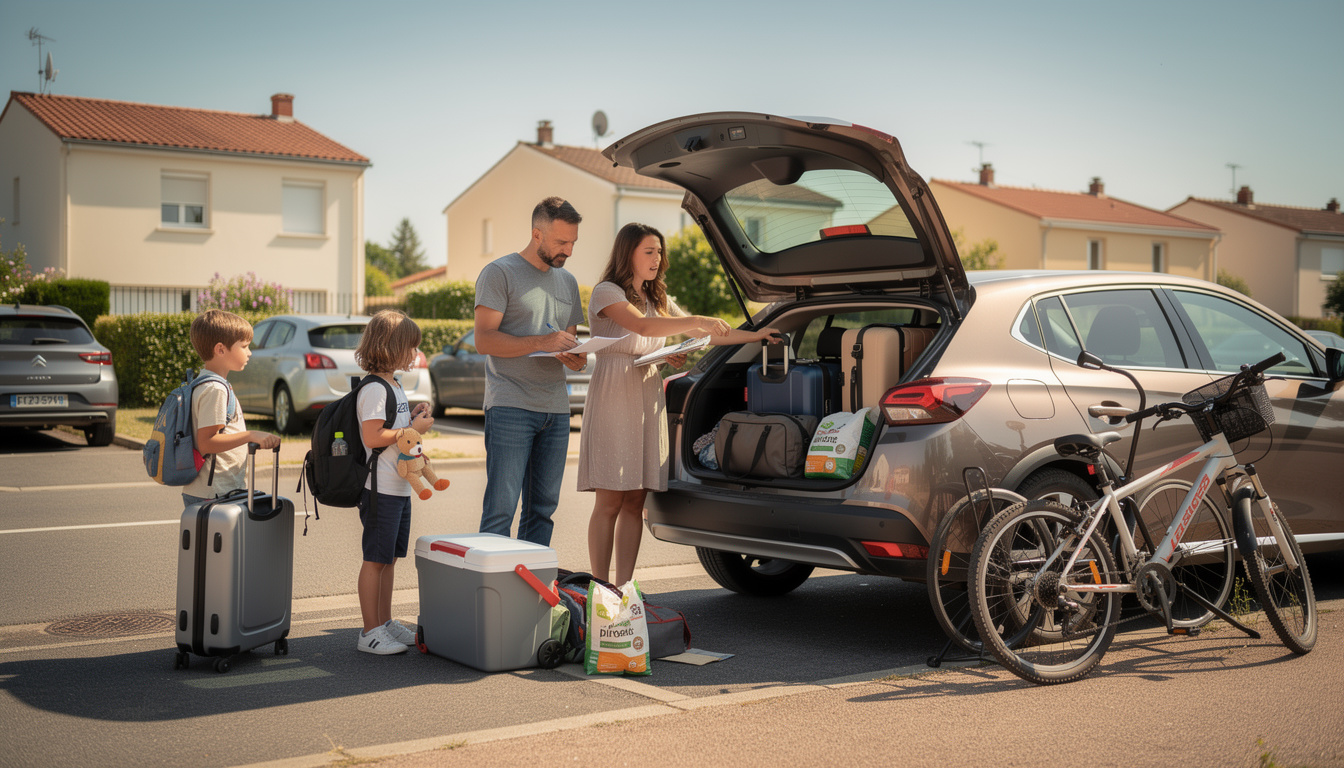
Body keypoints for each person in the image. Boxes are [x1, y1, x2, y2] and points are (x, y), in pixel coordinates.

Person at [578, 223, 781, 585]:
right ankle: (599, 587)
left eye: (659, 252)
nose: (657, 259)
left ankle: (624, 588)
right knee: (609, 499)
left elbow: (699, 333)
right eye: (649, 252)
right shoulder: (606, 292)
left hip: (645, 392)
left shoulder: (657, 298)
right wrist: (696, 321)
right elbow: (643, 329)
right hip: (613, 394)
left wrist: (756, 335)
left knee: (634, 501)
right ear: (628, 254)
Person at [474, 196, 587, 547]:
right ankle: (491, 596)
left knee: (542, 510)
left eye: (572, 243)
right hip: (510, 406)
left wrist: (577, 358)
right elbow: (484, 340)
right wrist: (542, 342)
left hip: (555, 409)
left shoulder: (567, 281)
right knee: (500, 511)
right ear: (537, 234)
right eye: (561, 242)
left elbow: (572, 346)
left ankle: (529, 595)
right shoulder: (499, 273)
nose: (567, 250)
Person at [353, 309, 436, 655]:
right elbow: (373, 436)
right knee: (375, 559)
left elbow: (395, 434)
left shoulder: (394, 385)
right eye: (410, 347)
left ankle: (384, 623)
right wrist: (414, 429)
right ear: (390, 347)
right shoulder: (374, 389)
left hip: (398, 487)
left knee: (389, 558)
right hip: (380, 489)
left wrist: (412, 419)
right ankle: (369, 631)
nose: (415, 354)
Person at [182, 309, 281, 510]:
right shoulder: (215, 389)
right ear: (220, 349)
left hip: (212, 490)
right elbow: (206, 443)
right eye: (244, 346)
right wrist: (250, 435)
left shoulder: (206, 383)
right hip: (214, 492)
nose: (249, 352)